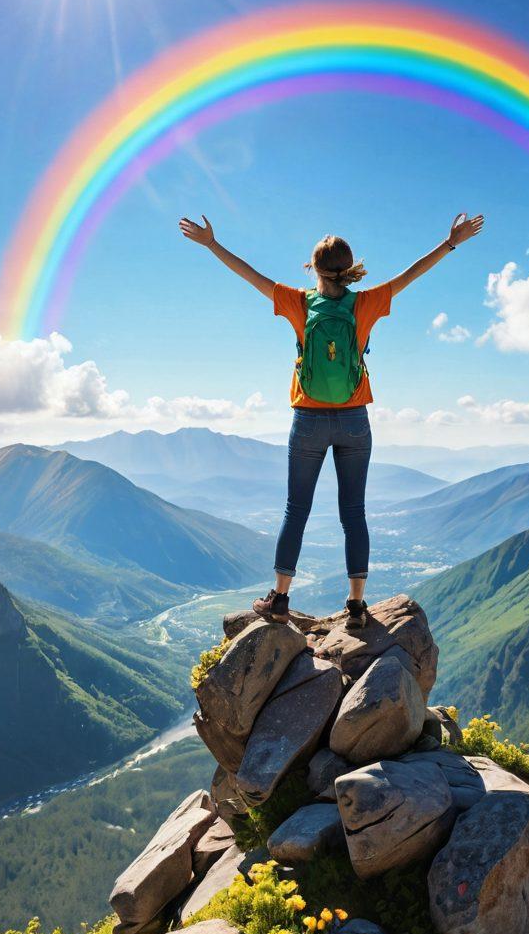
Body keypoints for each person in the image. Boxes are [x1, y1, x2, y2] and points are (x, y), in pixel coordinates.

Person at [178, 210, 484, 629]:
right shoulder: (366, 303)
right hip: (354, 420)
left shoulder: (300, 302)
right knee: (354, 512)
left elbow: (251, 276)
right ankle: (357, 606)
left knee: (296, 509)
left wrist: (212, 243)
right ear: (350, 269)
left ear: (313, 269)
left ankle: (279, 599)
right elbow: (411, 275)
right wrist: (450, 243)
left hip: (308, 419)